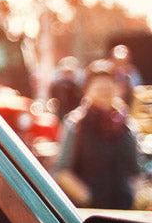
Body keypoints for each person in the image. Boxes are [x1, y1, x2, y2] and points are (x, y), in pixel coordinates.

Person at [51, 59, 143, 209]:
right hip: (91, 218)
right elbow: (62, 171)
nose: (104, 91)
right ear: (87, 90)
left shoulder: (126, 126)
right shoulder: (76, 124)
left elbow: (135, 171)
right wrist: (90, 198)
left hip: (124, 214)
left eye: (108, 86)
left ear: (117, 88)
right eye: (99, 87)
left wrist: (131, 198)